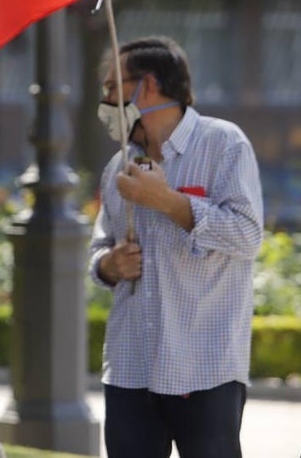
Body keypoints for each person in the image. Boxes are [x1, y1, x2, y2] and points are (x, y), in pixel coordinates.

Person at [88, 36, 264, 458]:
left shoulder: (224, 143)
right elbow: (99, 249)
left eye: (113, 86)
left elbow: (246, 235)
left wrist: (168, 201)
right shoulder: (118, 166)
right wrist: (109, 264)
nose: (106, 100)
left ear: (148, 86)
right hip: (130, 367)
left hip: (205, 367)